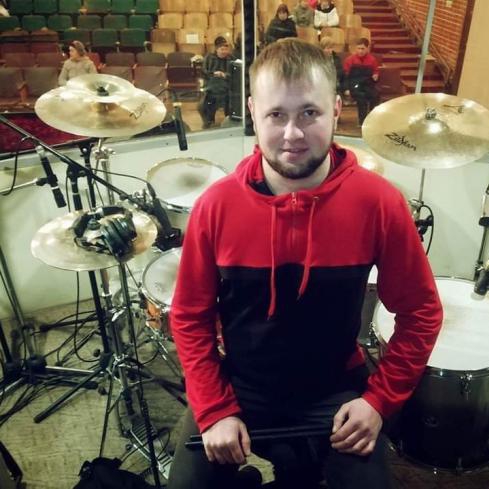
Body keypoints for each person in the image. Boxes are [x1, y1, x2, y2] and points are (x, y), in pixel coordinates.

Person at [168, 38, 442, 489]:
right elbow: (189, 316)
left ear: (336, 110)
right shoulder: (215, 206)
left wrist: (378, 401)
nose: (292, 134)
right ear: (253, 112)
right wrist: (214, 409)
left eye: (309, 113)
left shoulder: (379, 202)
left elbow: (421, 312)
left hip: (335, 389)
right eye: (276, 114)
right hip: (241, 386)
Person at [198, 36, 235, 129]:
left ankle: (230, 120)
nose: (224, 52)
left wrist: (224, 75)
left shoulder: (231, 58)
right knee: (204, 103)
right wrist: (213, 73)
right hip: (211, 84)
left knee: (230, 98)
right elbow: (203, 72)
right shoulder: (209, 58)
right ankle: (209, 122)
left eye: (226, 49)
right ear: (216, 49)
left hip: (226, 85)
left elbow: (235, 73)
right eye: (222, 49)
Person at [343, 37, 380, 125]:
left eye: (362, 49)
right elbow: (345, 76)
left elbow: (376, 72)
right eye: (358, 48)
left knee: (375, 96)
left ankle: (372, 119)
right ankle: (362, 122)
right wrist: (346, 88)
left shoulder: (372, 60)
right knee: (361, 98)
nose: (360, 51)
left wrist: (376, 76)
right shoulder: (350, 60)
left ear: (367, 48)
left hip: (367, 84)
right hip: (355, 85)